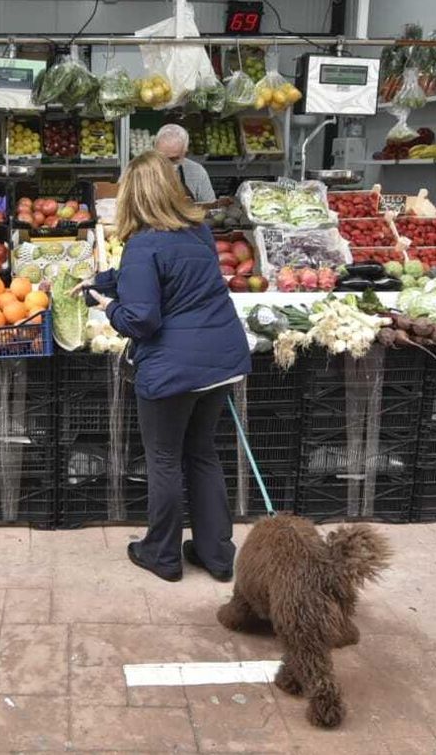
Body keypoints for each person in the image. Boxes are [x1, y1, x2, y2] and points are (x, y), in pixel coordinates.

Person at [85, 152, 251, 583]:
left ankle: (162, 554)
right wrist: (102, 282)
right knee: (202, 452)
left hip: (173, 368)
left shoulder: (142, 244)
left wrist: (108, 306)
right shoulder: (195, 232)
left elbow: (142, 319)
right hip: (220, 359)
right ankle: (216, 554)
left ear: (133, 197)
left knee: (163, 458)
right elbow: (167, 277)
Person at [152, 124, 216, 203]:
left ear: (185, 153)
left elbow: (211, 207)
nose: (167, 163)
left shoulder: (197, 172)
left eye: (173, 159)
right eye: (161, 158)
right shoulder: (141, 172)